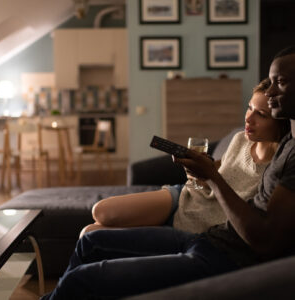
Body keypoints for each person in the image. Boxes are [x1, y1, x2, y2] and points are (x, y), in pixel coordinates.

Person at [41, 46, 295, 300]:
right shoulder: (285, 141)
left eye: (280, 83)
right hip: (208, 234)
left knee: (81, 275)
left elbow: (264, 238)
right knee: (90, 240)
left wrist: (211, 177)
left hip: (218, 252)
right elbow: (225, 173)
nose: (270, 93)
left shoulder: (285, 152)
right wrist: (203, 170)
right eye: (252, 107)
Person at [80, 78, 289, 236]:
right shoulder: (240, 139)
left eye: (260, 114)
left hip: (202, 223)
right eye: (249, 108)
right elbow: (221, 171)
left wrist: (209, 177)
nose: (249, 118)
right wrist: (198, 170)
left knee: (90, 233)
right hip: (185, 197)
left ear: (280, 121)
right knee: (101, 211)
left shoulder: (279, 167)